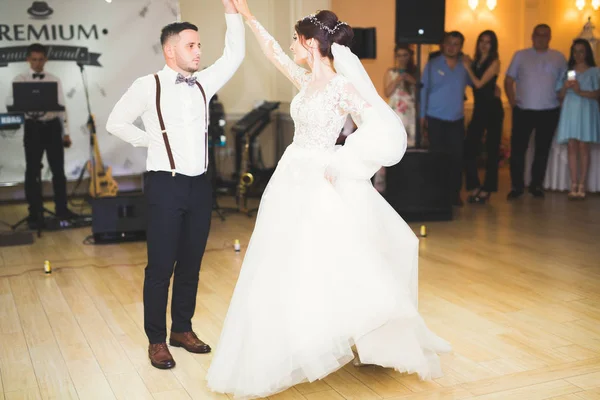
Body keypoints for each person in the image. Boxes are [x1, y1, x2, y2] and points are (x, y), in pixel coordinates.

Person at [205, 1, 451, 398]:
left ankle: (349, 335)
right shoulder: (306, 81)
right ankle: (292, 341)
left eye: (295, 39)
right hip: (291, 177)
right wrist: (248, 17)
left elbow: (383, 127)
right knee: (285, 259)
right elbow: (270, 51)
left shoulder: (342, 87)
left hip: (320, 179)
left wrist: (346, 160)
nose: (289, 44)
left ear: (309, 43)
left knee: (328, 260)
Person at [105, 0, 245, 370]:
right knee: (160, 266)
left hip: (200, 186)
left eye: (199, 45)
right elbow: (115, 123)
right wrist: (150, 140)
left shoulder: (204, 83)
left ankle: (182, 329)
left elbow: (235, 54)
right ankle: (156, 340)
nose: (198, 51)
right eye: (191, 45)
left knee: (192, 264)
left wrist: (233, 12)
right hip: (164, 186)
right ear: (171, 50)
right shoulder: (147, 85)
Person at [9, 43, 76, 229]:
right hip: (33, 127)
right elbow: (13, 104)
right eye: (34, 59)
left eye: (41, 59)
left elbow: (62, 107)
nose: (38, 63)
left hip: (53, 127)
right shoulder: (20, 79)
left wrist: (67, 133)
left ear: (46, 59)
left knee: (58, 171)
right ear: (28, 59)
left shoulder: (54, 79)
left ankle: (62, 210)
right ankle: (34, 212)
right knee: (32, 171)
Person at [505, 24, 567, 199]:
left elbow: (565, 82)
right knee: (518, 150)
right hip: (523, 110)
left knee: (542, 150)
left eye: (545, 35)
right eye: (538, 35)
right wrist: (512, 102)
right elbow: (508, 80)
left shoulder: (559, 57)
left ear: (550, 37)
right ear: (532, 36)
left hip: (550, 110)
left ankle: (536, 185)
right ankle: (516, 186)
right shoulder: (520, 55)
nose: (541, 38)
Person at [420, 31, 472, 206]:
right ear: (443, 44)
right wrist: (422, 116)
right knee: (437, 158)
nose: (452, 47)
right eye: (449, 43)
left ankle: (454, 194)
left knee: (457, 159)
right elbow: (423, 90)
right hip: (435, 118)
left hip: (456, 119)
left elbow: (478, 84)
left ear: (461, 47)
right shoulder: (432, 65)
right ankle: (437, 194)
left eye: (456, 44)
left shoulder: (464, 67)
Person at [462, 30, 504, 204]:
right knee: (469, 148)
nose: (484, 44)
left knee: (492, 150)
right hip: (480, 108)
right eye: (482, 41)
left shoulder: (494, 62)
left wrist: (467, 67)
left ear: (493, 45)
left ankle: (487, 190)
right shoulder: (475, 62)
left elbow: (478, 84)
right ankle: (475, 187)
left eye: (488, 42)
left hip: (492, 109)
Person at [555, 39, 600, 200]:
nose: (578, 55)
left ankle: (582, 184)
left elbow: (597, 94)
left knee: (583, 146)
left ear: (587, 52)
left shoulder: (595, 71)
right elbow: (559, 95)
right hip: (570, 109)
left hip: (587, 109)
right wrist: (565, 88)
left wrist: (580, 92)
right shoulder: (567, 71)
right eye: (575, 51)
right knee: (572, 146)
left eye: (581, 51)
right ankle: (573, 183)